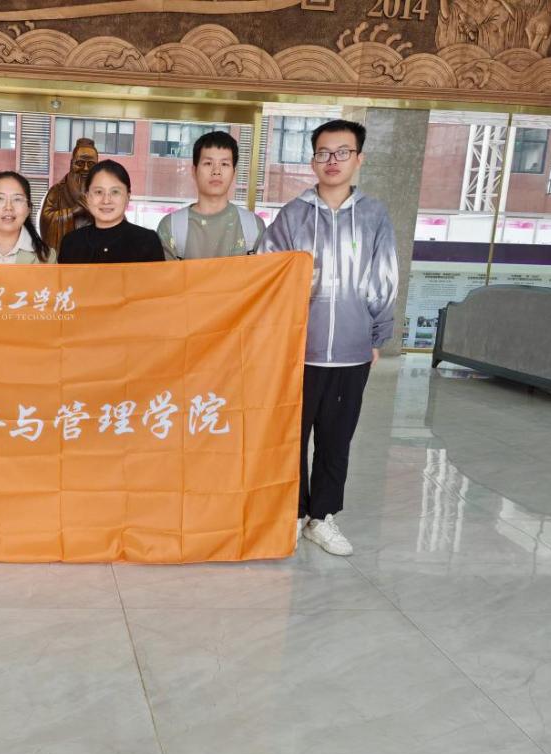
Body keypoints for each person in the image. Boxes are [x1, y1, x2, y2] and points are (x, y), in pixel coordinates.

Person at [259, 119, 398, 557]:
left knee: (336, 440)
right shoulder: (293, 214)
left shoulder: (373, 215)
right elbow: (268, 271)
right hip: (299, 351)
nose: (332, 161)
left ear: (359, 158)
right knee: (291, 438)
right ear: (312, 160)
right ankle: (293, 512)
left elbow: (384, 276)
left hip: (352, 352)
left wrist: (377, 335)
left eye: (342, 152)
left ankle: (322, 517)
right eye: (323, 152)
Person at [157, 130, 265, 260]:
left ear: (234, 173)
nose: (216, 171)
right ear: (194, 171)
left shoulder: (254, 227)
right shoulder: (170, 227)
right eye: (208, 163)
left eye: (224, 164)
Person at [57, 160, 164, 264]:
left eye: (115, 192)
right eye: (99, 192)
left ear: (127, 197)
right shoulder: (71, 242)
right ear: (87, 197)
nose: (106, 200)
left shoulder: (147, 241)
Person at [39, 137, 98, 252]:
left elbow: (118, 225)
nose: (86, 168)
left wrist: (97, 215)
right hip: (66, 254)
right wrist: (73, 212)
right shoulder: (57, 191)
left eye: (91, 164)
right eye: (80, 163)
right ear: (71, 164)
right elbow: (46, 220)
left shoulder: (104, 194)